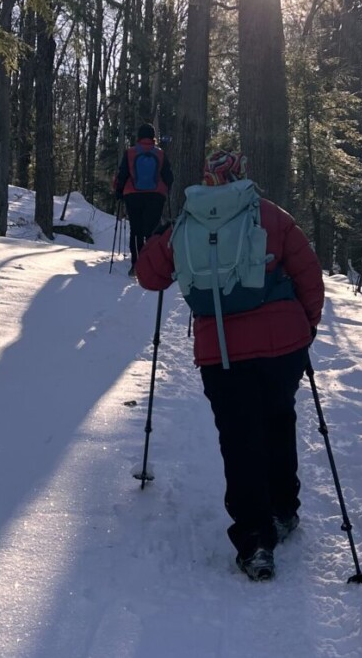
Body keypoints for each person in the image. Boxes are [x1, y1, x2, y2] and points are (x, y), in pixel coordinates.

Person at [135, 150, 324, 582]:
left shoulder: (186, 221)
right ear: (243, 176)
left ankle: (255, 541)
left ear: (207, 179)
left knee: (240, 440)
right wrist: (306, 328)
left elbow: (149, 277)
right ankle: (283, 510)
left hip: (221, 351)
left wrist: (160, 234)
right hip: (283, 347)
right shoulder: (272, 217)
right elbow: (309, 275)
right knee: (278, 421)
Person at [113, 123, 173, 276]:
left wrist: (119, 192)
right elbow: (168, 176)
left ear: (139, 136)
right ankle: (151, 266)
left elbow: (122, 175)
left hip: (133, 195)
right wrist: (167, 190)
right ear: (153, 136)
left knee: (136, 230)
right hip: (155, 196)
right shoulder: (160, 153)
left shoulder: (130, 152)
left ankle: (136, 265)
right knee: (152, 231)